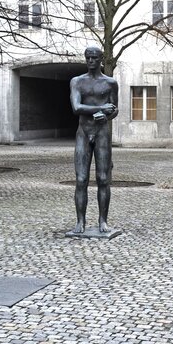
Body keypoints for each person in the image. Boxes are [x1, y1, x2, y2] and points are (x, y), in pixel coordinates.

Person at [70, 46, 119, 233]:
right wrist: (100, 110)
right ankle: (80, 221)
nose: (90, 61)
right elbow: (76, 107)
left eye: (94, 58)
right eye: (87, 58)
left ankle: (102, 221)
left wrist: (106, 115)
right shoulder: (77, 82)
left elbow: (114, 109)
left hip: (102, 133)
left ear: (101, 59)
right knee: (81, 178)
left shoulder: (110, 83)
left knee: (103, 178)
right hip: (83, 132)